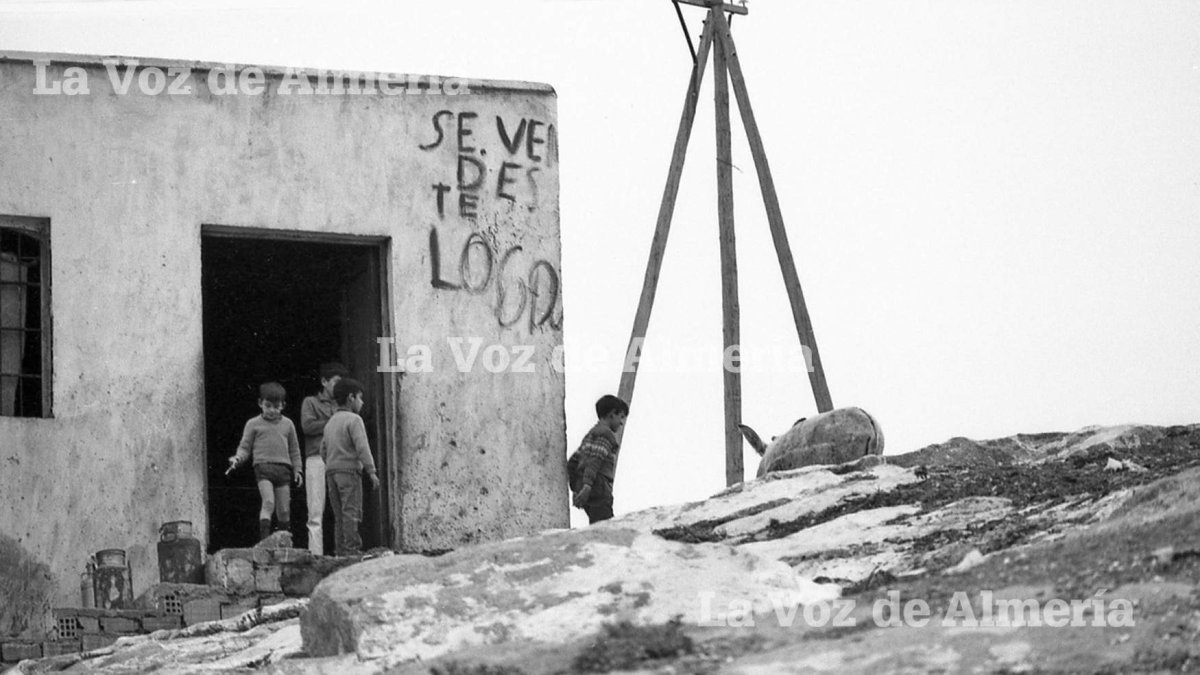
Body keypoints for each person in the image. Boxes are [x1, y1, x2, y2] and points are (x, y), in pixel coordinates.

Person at [228, 382, 303, 542]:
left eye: (276, 407)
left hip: (283, 471)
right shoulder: (253, 424)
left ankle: (283, 542)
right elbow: (245, 447)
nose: (272, 410)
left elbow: (294, 450)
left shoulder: (288, 424)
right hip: (263, 469)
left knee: (284, 510)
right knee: (268, 502)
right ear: (260, 403)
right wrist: (238, 458)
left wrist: (298, 469)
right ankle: (265, 541)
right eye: (268, 406)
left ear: (283, 406)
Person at [321, 378, 380, 556]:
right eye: (360, 398)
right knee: (351, 512)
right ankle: (352, 550)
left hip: (331, 473)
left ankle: (340, 551)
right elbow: (362, 447)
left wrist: (333, 463)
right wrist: (371, 471)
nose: (362, 402)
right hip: (349, 472)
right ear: (350, 398)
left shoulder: (330, 422)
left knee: (339, 515)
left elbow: (322, 450)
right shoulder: (354, 420)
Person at [299, 362, 349, 556]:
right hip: (316, 459)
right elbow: (307, 426)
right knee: (315, 512)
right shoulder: (310, 402)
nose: (339, 386)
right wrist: (335, 421)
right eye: (336, 382)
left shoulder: (342, 404)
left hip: (338, 459)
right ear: (324, 382)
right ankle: (316, 556)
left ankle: (342, 554)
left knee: (342, 510)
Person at [569, 394, 629, 524]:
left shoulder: (590, 436)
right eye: (621, 417)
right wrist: (587, 486)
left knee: (596, 522)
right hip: (598, 487)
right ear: (612, 414)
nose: (621, 422)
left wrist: (576, 488)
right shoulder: (606, 435)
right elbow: (595, 461)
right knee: (604, 525)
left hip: (587, 486)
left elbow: (572, 463)